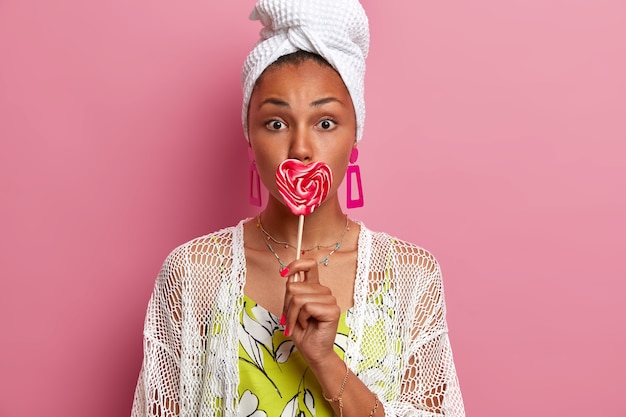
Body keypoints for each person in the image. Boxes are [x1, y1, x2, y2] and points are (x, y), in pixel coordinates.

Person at [131, 0, 465, 416]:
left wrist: (325, 360)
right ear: (250, 138)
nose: (301, 148)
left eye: (325, 122)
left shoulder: (410, 276)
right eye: (276, 123)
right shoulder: (193, 273)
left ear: (354, 134)